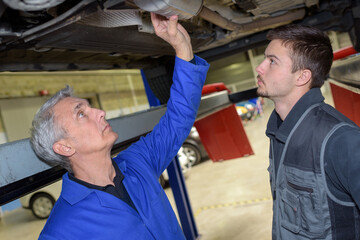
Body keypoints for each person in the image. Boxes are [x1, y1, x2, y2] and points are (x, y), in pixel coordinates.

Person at [30, 13, 209, 240]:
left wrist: (182, 47)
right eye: (82, 114)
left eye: (90, 106)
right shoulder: (60, 233)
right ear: (64, 147)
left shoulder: (137, 162)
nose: (100, 112)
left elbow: (178, 119)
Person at [256, 24, 360, 239]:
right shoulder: (280, 131)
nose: (260, 67)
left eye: (272, 61)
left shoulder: (340, 140)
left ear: (302, 77)